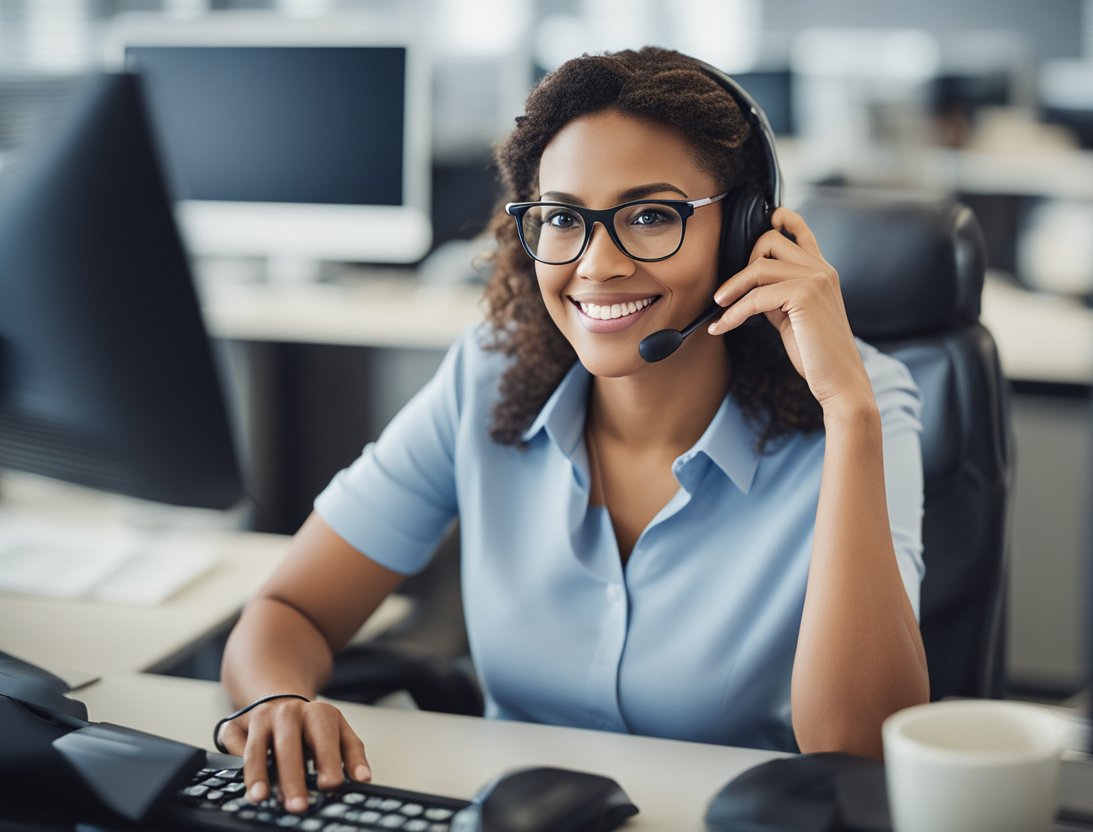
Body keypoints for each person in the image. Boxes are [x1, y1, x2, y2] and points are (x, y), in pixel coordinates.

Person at [218, 47, 929, 814]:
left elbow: (856, 760)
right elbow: (289, 611)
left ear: (746, 228)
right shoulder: (489, 376)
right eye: (561, 218)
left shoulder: (856, 400)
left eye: (651, 216)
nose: (597, 265)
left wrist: (849, 415)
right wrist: (275, 704)